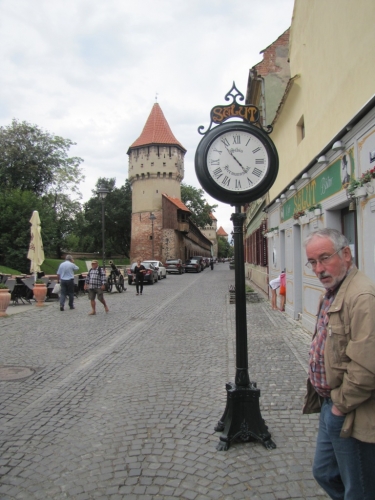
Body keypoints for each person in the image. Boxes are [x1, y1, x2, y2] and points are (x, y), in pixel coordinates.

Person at [303, 228, 375, 499]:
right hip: (330, 404)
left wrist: (340, 406)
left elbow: (367, 366)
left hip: (350, 411)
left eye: (324, 258)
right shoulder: (332, 291)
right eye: (312, 262)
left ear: (346, 254)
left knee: (360, 489)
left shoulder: (362, 297)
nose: (318, 269)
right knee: (325, 473)